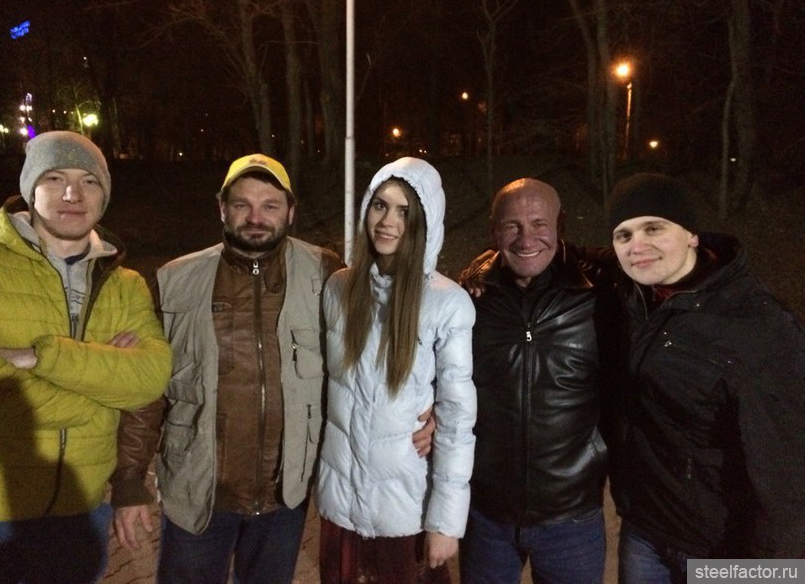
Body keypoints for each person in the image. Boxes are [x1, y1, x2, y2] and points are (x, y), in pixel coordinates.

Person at [111, 153, 435, 584]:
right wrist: (129, 481)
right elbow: (147, 390)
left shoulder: (327, 274)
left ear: (290, 211)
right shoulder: (175, 281)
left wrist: (426, 407)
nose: (255, 217)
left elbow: (372, 358)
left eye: (270, 205)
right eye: (242, 204)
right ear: (221, 208)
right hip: (197, 493)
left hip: (285, 500)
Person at [606, 173, 805, 582]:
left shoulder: (757, 324)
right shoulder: (634, 297)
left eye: (654, 228)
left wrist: (768, 572)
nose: (636, 246)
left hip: (720, 548)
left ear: (692, 234)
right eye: (623, 235)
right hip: (644, 531)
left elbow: (787, 475)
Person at [0, 130, 172, 584]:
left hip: (83, 509)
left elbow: (151, 378)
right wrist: (103, 387)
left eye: (89, 181)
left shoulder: (125, 283)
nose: (73, 194)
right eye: (55, 178)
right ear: (29, 188)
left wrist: (38, 359)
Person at [316, 156, 477, 583]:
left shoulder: (447, 302)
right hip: (340, 507)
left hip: (405, 512)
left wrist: (445, 523)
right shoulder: (338, 288)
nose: (388, 221)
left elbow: (457, 418)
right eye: (380, 205)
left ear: (424, 223)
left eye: (405, 212)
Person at [457, 178, 614, 584]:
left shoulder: (599, 296)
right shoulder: (467, 301)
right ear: (494, 232)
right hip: (486, 516)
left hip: (572, 518)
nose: (526, 239)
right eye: (512, 226)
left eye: (539, 223)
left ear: (560, 226)